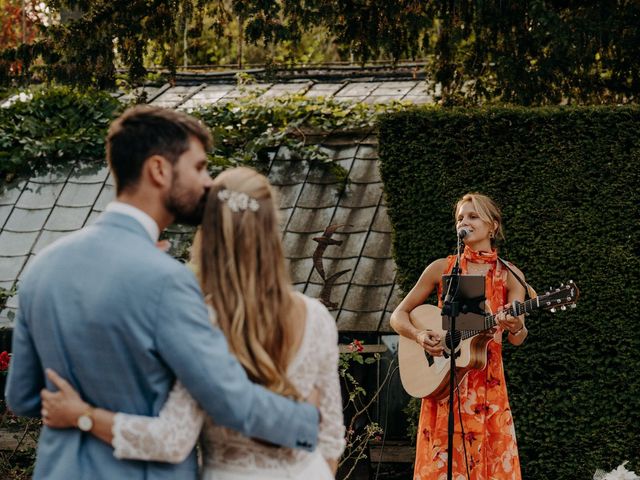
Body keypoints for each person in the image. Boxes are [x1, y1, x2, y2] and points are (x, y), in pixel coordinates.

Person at [5, 107, 321, 480]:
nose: (207, 183)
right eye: (199, 167)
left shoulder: (43, 266)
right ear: (158, 169)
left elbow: (22, 397)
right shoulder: (167, 280)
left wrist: (81, 410)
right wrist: (306, 421)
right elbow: (229, 399)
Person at [390, 193, 527, 480]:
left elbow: (517, 337)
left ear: (493, 226)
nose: (464, 222)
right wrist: (418, 335)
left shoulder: (511, 275)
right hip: (445, 381)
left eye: (473, 216)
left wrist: (514, 325)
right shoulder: (443, 268)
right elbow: (398, 316)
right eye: (460, 218)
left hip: (487, 383)